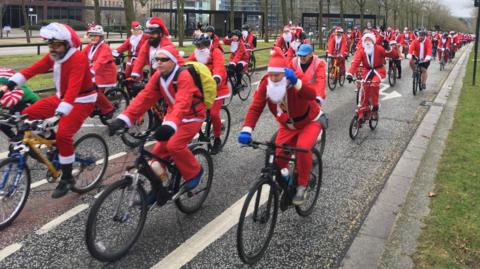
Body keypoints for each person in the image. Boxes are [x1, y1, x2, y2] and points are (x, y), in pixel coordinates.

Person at [0, 22, 97, 198]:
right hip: (61, 98)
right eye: (50, 45)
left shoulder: (78, 58)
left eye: (57, 45)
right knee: (27, 116)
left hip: (81, 100)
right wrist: (8, 86)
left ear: (67, 44)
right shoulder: (54, 56)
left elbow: (73, 89)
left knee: (64, 135)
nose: (53, 49)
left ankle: (67, 178)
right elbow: (31, 71)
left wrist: (58, 115)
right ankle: (53, 146)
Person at [109, 45, 206, 205]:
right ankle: (159, 190)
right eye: (157, 59)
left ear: (173, 61)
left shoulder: (184, 76)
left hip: (191, 117)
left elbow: (183, 103)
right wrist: (124, 118)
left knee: (174, 146)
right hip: (173, 117)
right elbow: (145, 97)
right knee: (155, 158)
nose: (159, 63)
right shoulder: (158, 76)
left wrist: (170, 126)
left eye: (164, 59)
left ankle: (195, 172)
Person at [238, 47, 322, 205]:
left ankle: (302, 185)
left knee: (303, 147)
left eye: (277, 75)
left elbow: (312, 94)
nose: (274, 78)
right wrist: (247, 129)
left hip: (309, 122)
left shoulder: (295, 77)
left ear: (285, 72)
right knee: (278, 160)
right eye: (271, 75)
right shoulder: (266, 83)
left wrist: (296, 82)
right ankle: (286, 181)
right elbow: (256, 107)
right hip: (287, 126)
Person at [187, 34, 230, 154]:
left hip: (217, 88)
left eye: (203, 45)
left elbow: (219, 67)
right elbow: (187, 64)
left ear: (208, 44)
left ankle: (217, 138)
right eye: (198, 46)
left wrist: (216, 78)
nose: (200, 48)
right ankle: (199, 133)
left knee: (214, 113)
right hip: (201, 87)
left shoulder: (216, 52)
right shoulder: (196, 53)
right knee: (192, 110)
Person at [346, 33, 398, 119]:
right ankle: (364, 107)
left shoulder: (378, 48)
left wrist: (388, 48)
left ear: (373, 41)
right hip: (367, 71)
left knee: (374, 84)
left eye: (369, 40)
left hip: (378, 70)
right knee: (364, 87)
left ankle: (375, 107)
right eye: (365, 40)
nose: (367, 42)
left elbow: (394, 55)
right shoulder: (361, 50)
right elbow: (355, 62)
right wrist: (350, 73)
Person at [83, 24, 116, 118]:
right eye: (91, 35)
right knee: (87, 89)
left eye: (95, 35)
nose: (93, 38)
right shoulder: (89, 47)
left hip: (105, 73)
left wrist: (92, 71)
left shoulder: (105, 47)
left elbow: (100, 61)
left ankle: (109, 109)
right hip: (95, 72)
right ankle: (94, 107)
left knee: (94, 91)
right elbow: (80, 56)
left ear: (100, 37)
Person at [0, 68, 40, 139]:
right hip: (17, 107)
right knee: (2, 124)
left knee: (21, 126)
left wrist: (4, 91)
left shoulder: (18, 89)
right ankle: (14, 138)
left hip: (32, 105)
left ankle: (20, 138)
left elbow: (9, 103)